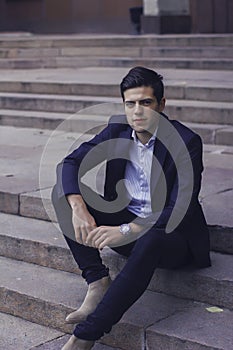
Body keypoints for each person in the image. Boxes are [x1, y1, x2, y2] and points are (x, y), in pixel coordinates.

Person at [52, 66, 211, 350]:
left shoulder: (186, 142)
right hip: (125, 226)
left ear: (161, 105)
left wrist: (128, 229)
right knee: (62, 193)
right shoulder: (118, 130)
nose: (137, 112)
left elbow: (180, 206)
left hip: (170, 238)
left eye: (146, 103)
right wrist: (78, 206)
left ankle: (85, 336)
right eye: (130, 103)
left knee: (150, 237)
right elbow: (70, 163)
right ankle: (98, 281)